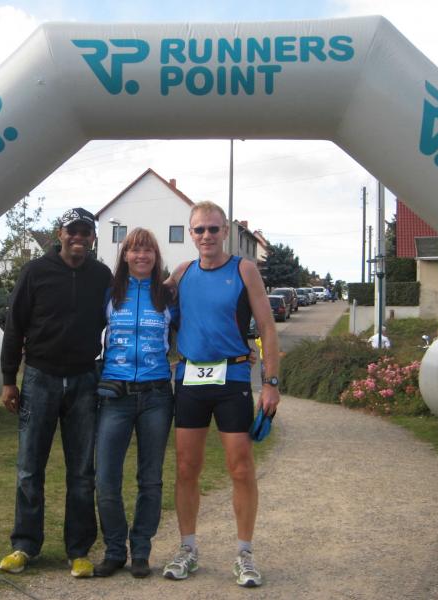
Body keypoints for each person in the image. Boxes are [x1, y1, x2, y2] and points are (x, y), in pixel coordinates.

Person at [162, 201, 281, 587]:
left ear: (225, 231)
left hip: (232, 379)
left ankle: (245, 553)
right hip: (190, 379)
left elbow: (267, 327)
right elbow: (150, 300)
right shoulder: (182, 273)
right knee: (186, 467)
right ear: (191, 233)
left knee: (241, 467)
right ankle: (187, 548)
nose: (206, 236)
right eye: (199, 229)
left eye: (213, 229)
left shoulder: (244, 269)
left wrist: (271, 383)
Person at [0, 207, 112, 577]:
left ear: (92, 238)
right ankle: (25, 546)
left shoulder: (102, 276)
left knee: (82, 472)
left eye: (85, 232)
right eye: (71, 231)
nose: (78, 237)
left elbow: (119, 320)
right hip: (40, 378)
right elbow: (14, 326)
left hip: (84, 380)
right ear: (59, 234)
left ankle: (78, 551)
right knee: (29, 469)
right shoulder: (35, 272)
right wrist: (8, 379)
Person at [94, 228, 177, 579]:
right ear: (125, 256)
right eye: (135, 250)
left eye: (148, 251)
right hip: (116, 395)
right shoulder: (110, 292)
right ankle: (115, 550)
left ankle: (141, 550)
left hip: (157, 396)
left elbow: (196, 330)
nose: (142, 256)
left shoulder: (168, 296)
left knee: (150, 479)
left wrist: (241, 349)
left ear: (156, 257)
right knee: (105, 479)